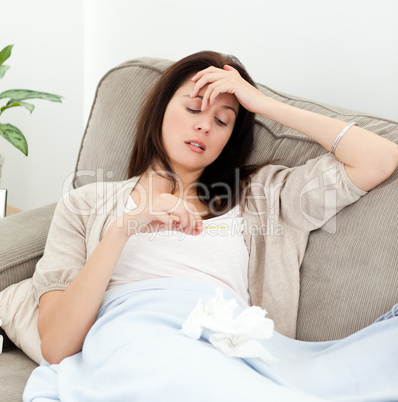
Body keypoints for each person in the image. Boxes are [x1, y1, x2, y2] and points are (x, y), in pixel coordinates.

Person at [24, 51, 398, 401]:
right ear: (159, 110)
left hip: (235, 345)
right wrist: (123, 229)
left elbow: (379, 159)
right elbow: (57, 345)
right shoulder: (87, 204)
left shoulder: (262, 195)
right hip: (139, 337)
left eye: (222, 121)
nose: (204, 125)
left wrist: (263, 105)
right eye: (192, 108)